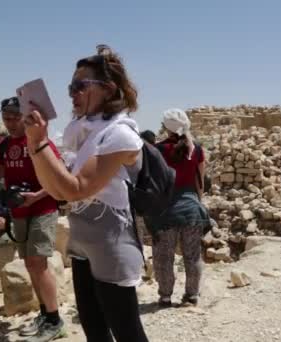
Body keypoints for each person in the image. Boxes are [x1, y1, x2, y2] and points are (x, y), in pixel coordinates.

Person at [22, 45, 149, 342]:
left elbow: (76, 189)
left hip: (111, 242)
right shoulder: (81, 132)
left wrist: (39, 143)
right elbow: (58, 191)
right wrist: (35, 143)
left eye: (80, 86)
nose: (72, 93)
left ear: (107, 89)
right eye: (71, 86)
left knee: (127, 330)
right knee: (93, 328)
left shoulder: (120, 134)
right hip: (83, 241)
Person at [0, 96, 64, 341]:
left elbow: (60, 175)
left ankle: (55, 320)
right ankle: (45, 314)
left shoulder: (39, 141)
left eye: (14, 117)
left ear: (24, 117)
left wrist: (37, 195)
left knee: (39, 263)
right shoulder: (3, 147)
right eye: (6, 118)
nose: (10, 122)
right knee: (31, 265)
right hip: (19, 211)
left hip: (43, 207)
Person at [151, 108, 210, 307]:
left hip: (166, 211)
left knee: (163, 257)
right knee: (192, 255)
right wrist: (197, 204)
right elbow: (199, 182)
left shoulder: (158, 150)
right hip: (191, 210)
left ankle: (165, 297)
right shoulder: (197, 149)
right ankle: (192, 296)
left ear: (165, 128)